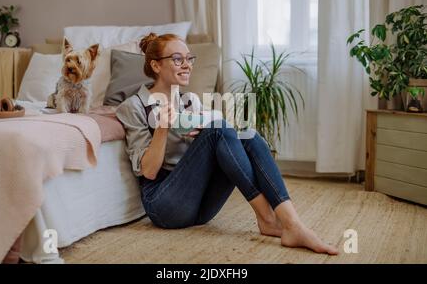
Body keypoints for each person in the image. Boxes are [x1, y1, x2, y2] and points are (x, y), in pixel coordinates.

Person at [116, 33, 339, 255]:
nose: (187, 65)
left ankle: (292, 223)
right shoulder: (133, 106)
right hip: (165, 206)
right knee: (219, 130)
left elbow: (208, 146)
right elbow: (149, 172)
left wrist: (202, 134)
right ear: (155, 65)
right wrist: (162, 129)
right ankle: (268, 218)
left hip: (200, 207)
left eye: (189, 58)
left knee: (248, 136)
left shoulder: (189, 100)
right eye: (177, 59)